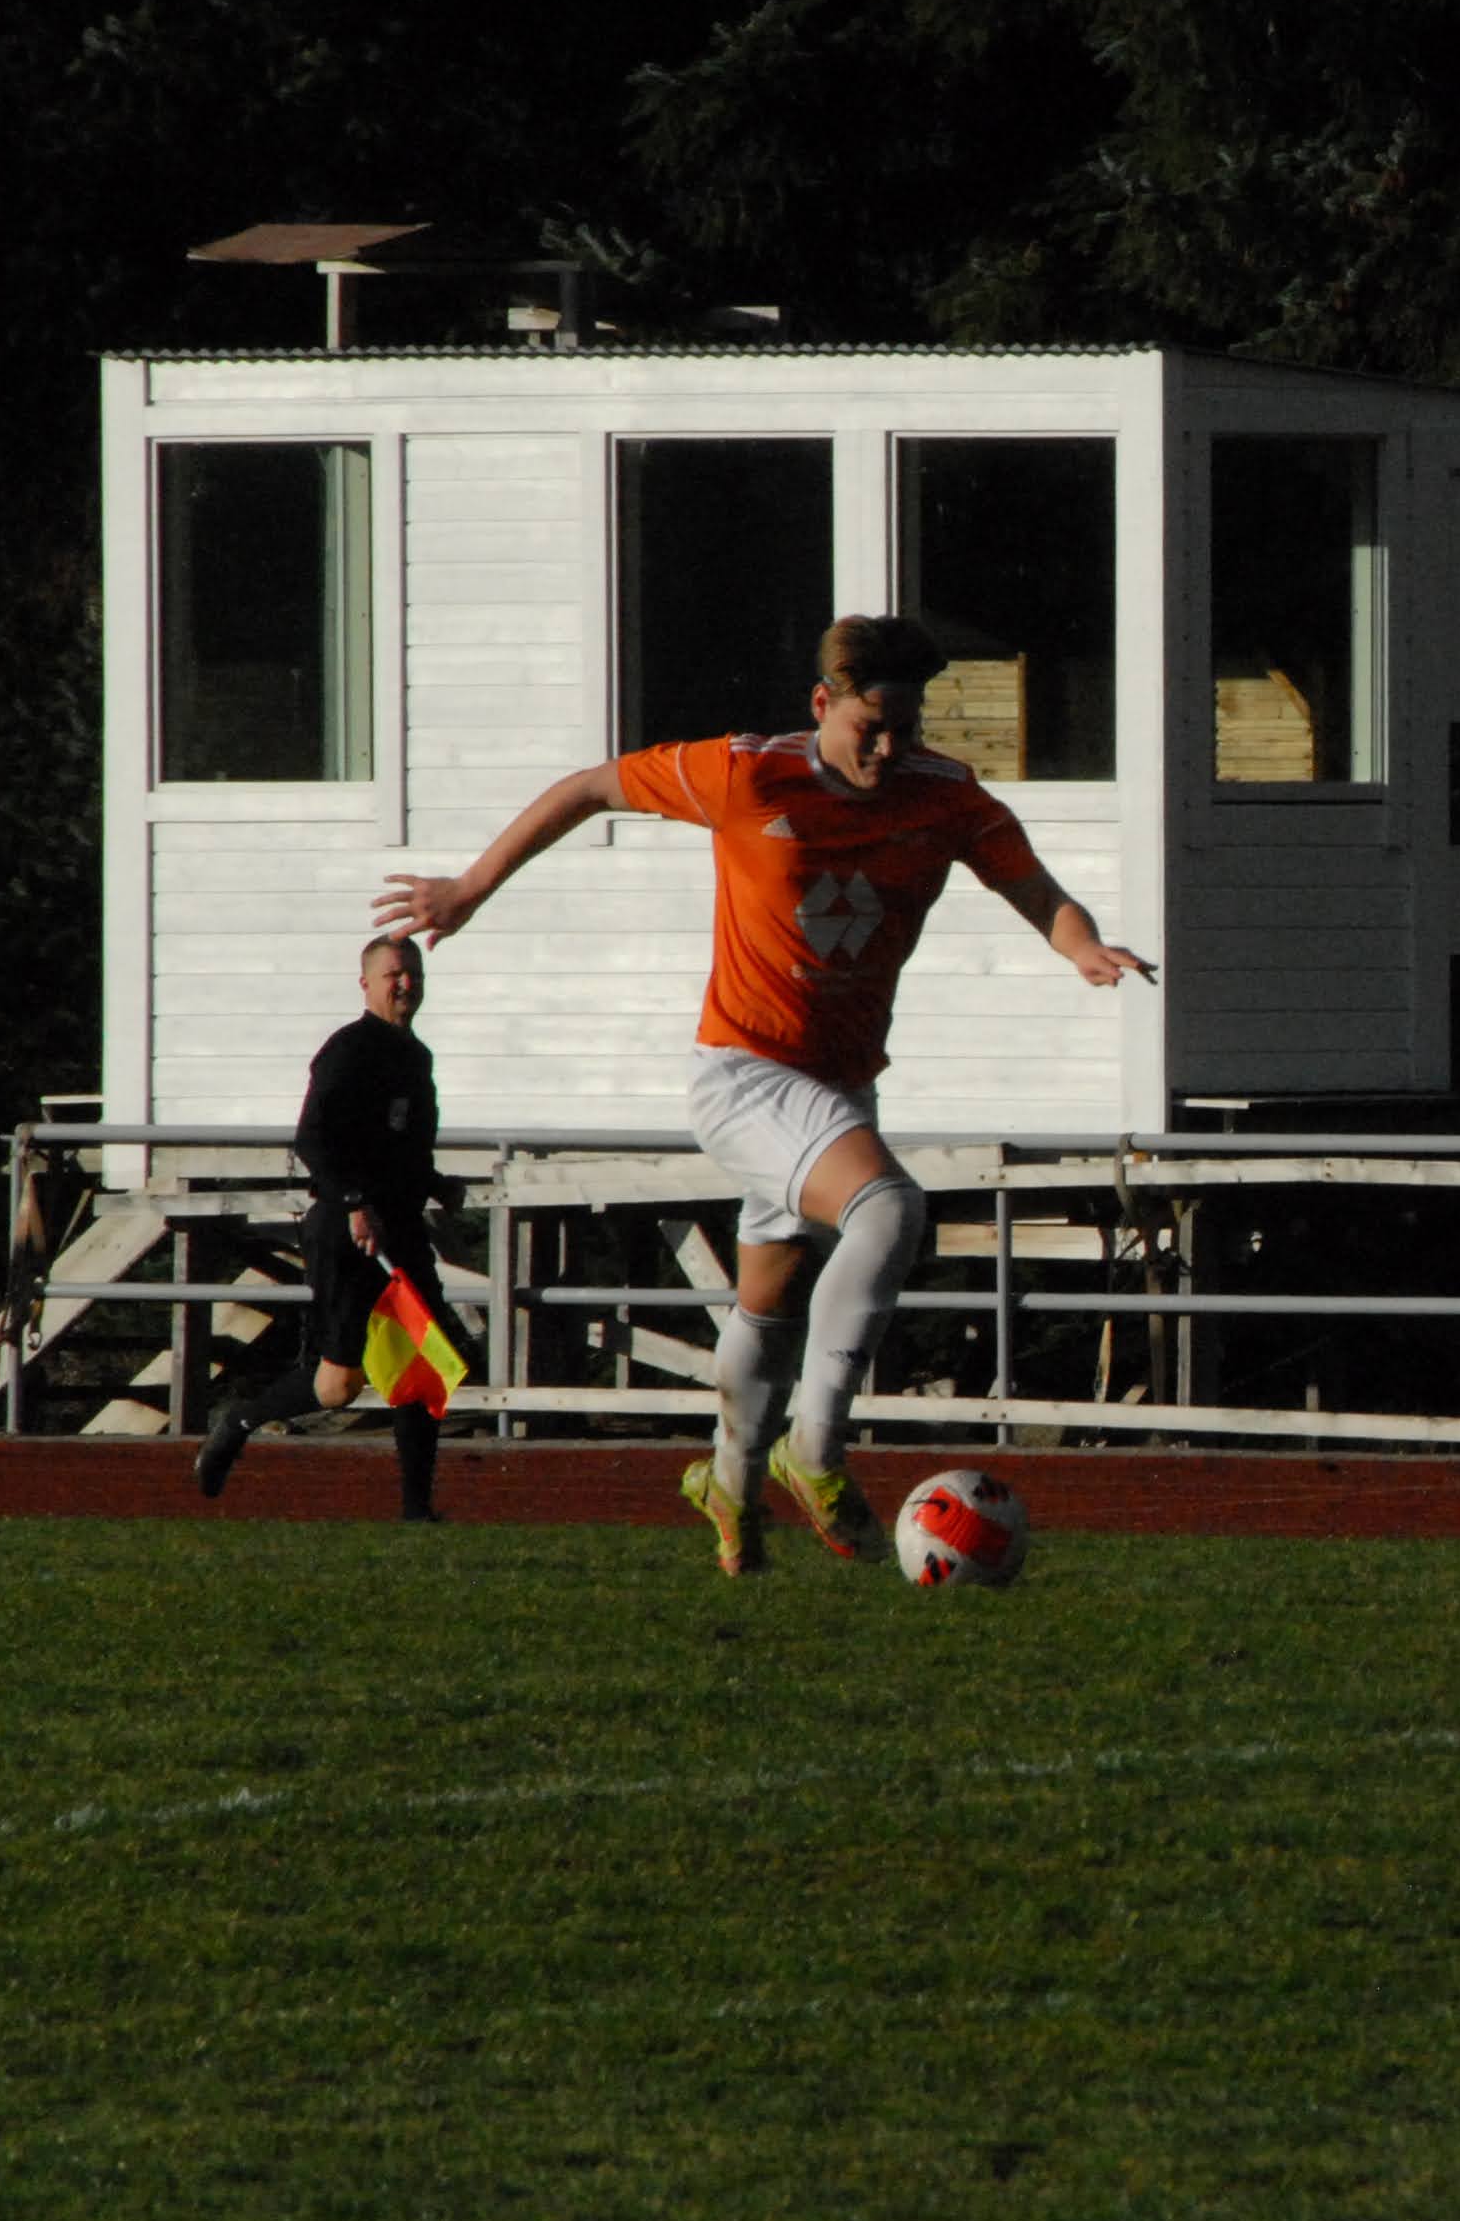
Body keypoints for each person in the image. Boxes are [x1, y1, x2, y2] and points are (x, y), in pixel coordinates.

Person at [372, 614, 1150, 1575]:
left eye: (905, 728)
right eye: (870, 727)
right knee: (889, 1207)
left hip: (839, 1090)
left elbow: (1033, 888)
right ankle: (813, 1449)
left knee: (771, 1300)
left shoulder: (945, 794)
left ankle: (730, 1485)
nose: (888, 749)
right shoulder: (745, 772)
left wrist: (1082, 946)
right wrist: (470, 888)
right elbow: (588, 788)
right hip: (743, 1072)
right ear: (822, 704)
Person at [196, 934, 473, 1520]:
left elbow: (402, 1150)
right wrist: (354, 1201)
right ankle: (239, 1420)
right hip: (346, 1231)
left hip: (399, 1229)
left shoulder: (416, 1057)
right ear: (367, 983)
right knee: (335, 1387)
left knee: (421, 1365)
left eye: (414, 974)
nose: (406, 984)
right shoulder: (348, 1050)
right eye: (394, 974)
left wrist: (436, 1183)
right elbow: (313, 1139)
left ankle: (418, 1513)